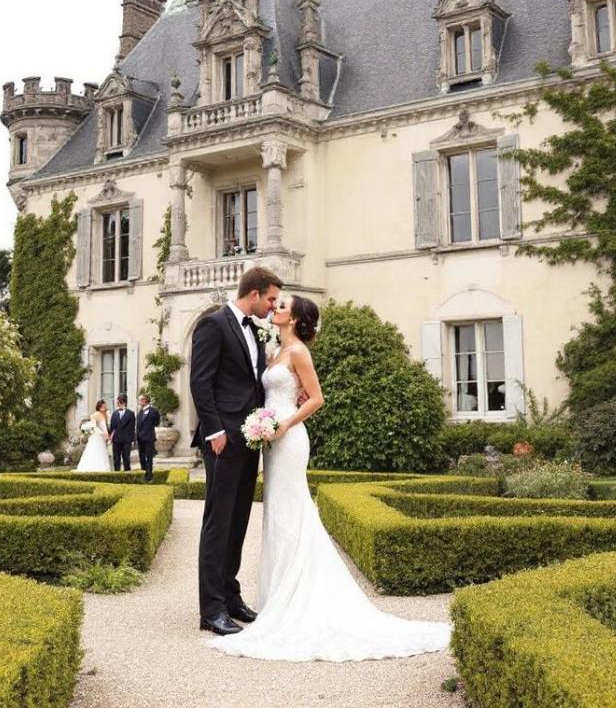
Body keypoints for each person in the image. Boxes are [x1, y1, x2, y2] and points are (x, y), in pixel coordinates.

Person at [206, 294, 450, 661]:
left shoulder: (299, 351)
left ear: (295, 318)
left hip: (288, 440)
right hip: (270, 440)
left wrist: (283, 423)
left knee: (292, 510)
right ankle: (277, 600)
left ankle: (299, 598)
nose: (276, 308)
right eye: (276, 303)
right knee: (277, 514)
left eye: (282, 305)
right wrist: (262, 424)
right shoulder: (273, 349)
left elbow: (316, 398)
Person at [191, 266, 281, 637]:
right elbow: (201, 380)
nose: (274, 306)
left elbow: (251, 382)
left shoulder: (255, 329)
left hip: (249, 438)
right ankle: (211, 610)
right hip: (223, 439)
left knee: (239, 519)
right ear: (255, 293)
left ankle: (230, 597)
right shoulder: (213, 324)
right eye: (271, 299)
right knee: (218, 522)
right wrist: (214, 430)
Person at [74, 399, 112, 472]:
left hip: (95, 436)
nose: (104, 408)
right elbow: (101, 427)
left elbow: (94, 426)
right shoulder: (100, 415)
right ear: (99, 407)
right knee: (98, 452)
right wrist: (107, 436)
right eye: (103, 406)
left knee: (93, 451)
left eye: (105, 406)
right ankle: (99, 469)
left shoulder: (94, 415)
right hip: (99, 437)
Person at [135, 394, 160, 483]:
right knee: (141, 457)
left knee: (149, 457)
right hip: (140, 437)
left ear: (145, 400)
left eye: (140, 400)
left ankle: (149, 476)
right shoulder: (140, 412)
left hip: (149, 437)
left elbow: (157, 422)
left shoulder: (153, 411)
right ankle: (144, 473)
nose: (139, 402)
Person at [108, 395, 136, 472]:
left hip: (126, 440)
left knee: (126, 458)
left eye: (118, 402)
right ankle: (117, 473)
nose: (117, 403)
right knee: (116, 458)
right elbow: (112, 427)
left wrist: (132, 440)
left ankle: (127, 473)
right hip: (116, 440)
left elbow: (132, 428)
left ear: (123, 402)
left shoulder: (130, 413)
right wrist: (110, 437)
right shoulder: (114, 414)